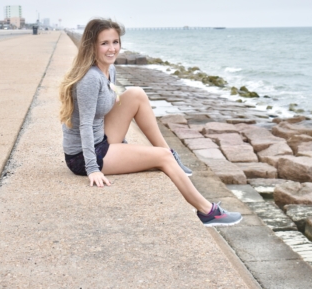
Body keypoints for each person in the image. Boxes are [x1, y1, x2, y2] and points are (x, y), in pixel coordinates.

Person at [59, 18, 242, 227]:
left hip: (101, 138)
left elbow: (114, 99)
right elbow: (84, 125)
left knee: (136, 93)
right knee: (162, 158)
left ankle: (171, 153)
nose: (112, 49)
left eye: (115, 42)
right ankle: (208, 212)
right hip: (83, 155)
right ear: (92, 46)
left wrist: (124, 141)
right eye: (105, 43)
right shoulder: (90, 78)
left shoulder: (108, 70)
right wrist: (92, 169)